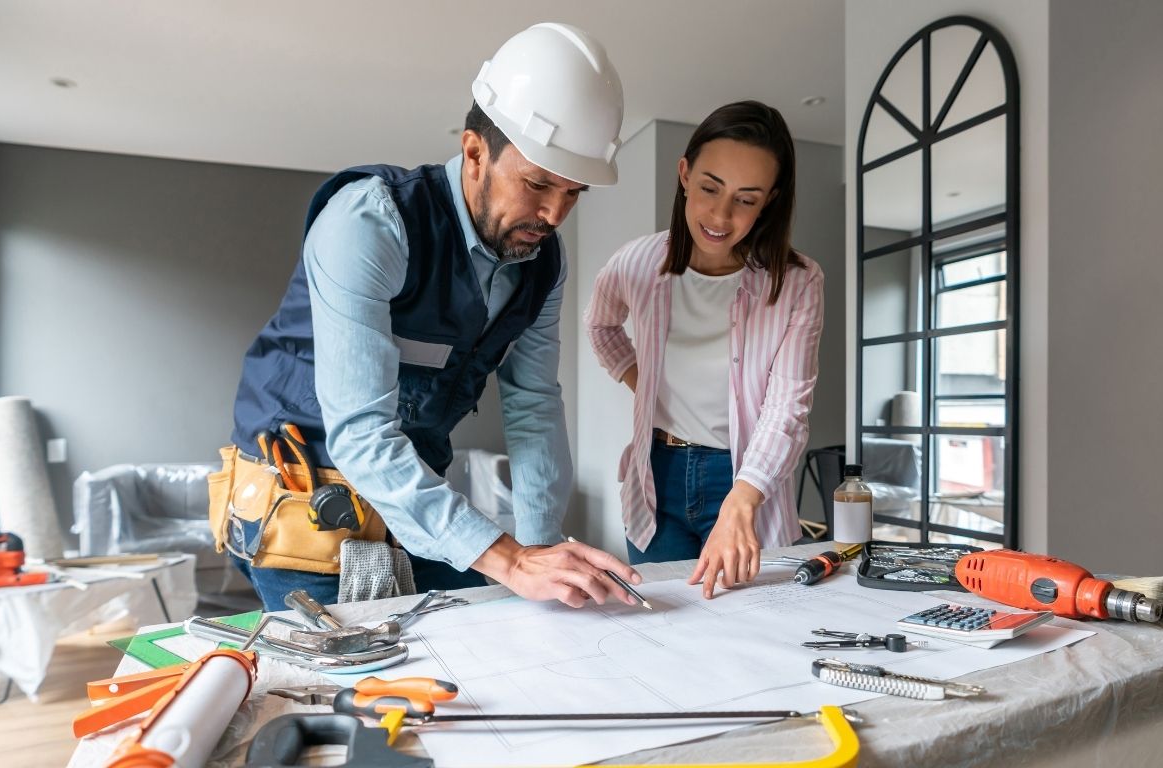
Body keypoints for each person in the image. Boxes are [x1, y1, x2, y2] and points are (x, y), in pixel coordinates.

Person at [207, 22, 641, 611]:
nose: (555, 213)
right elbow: (361, 435)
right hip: (303, 500)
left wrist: (542, 555)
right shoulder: (368, 223)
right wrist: (508, 559)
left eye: (574, 193)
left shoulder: (542, 262)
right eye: (538, 184)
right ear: (474, 152)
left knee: (496, 637)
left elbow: (534, 405)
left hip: (412, 491)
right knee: (358, 678)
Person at [584, 101, 824, 599]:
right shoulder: (637, 263)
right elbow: (601, 326)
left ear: (769, 201)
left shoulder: (799, 282)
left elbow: (788, 407)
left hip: (743, 479)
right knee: (662, 625)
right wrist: (643, 382)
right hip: (657, 475)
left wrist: (742, 502)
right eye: (710, 188)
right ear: (684, 175)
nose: (720, 215)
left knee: (746, 630)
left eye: (746, 199)